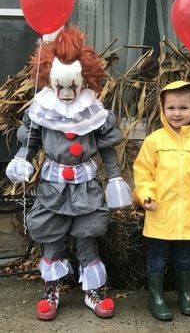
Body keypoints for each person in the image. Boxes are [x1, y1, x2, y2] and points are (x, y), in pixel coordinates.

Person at [5, 26, 132, 321]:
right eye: (59, 86)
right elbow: (31, 140)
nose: (65, 93)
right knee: (51, 236)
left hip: (85, 185)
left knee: (87, 236)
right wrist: (22, 160)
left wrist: (114, 177)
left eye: (71, 86)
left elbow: (107, 148)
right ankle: (52, 288)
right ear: (51, 80)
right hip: (52, 185)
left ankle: (94, 290)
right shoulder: (43, 107)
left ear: (82, 80)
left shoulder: (92, 108)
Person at [133, 80, 190, 321]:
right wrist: (146, 196)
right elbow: (143, 173)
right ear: (163, 109)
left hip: (188, 213)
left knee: (185, 257)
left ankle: (185, 296)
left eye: (183, 108)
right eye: (171, 107)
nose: (177, 113)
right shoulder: (154, 141)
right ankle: (157, 298)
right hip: (160, 212)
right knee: (158, 256)